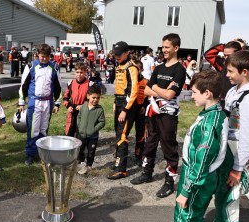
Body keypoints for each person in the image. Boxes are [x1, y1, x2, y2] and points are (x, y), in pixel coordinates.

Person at [130, 33, 186, 199]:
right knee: (150, 143)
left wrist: (155, 89)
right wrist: (159, 90)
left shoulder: (180, 70)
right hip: (153, 111)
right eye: (163, 47)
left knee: (169, 146)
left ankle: (169, 182)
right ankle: (147, 173)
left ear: (176, 48)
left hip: (168, 115)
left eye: (167, 47)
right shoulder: (159, 67)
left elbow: (170, 95)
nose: (164, 50)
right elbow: (146, 90)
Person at [213, 51, 249, 222]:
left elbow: (248, 137)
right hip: (225, 147)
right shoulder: (234, 91)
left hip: (235, 151)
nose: (226, 75)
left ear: (244, 72)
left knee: (228, 197)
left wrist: (237, 168)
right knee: (219, 192)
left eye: (230, 72)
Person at [174, 70, 228, 222]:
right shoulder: (215, 113)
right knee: (194, 215)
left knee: (187, 217)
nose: (192, 96)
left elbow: (202, 160)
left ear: (207, 93)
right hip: (202, 175)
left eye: (194, 92)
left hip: (197, 177)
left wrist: (186, 190)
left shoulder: (209, 124)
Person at [18, 43, 61, 166]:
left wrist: (57, 103)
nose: (44, 59)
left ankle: (42, 154)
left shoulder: (54, 68)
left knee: (44, 129)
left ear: (50, 56)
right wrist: (21, 101)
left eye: (47, 56)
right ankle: (30, 154)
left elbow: (58, 86)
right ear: (38, 55)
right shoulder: (31, 66)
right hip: (34, 102)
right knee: (33, 129)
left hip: (48, 102)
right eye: (42, 56)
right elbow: (23, 85)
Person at [107, 41, 139, 180]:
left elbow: (133, 91)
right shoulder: (118, 65)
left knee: (123, 135)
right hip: (119, 102)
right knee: (118, 133)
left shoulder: (132, 68)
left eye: (119, 55)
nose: (117, 57)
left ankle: (122, 170)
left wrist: (125, 109)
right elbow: (118, 86)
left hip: (128, 106)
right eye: (115, 55)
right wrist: (115, 102)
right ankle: (118, 162)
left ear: (127, 53)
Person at [76, 84, 105, 174]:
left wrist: (94, 129)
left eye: (98, 98)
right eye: (93, 97)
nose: (95, 100)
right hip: (82, 134)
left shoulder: (99, 110)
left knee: (91, 152)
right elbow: (79, 117)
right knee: (80, 150)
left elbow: (102, 122)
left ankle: (89, 165)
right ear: (88, 96)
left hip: (93, 137)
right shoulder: (83, 106)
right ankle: (81, 163)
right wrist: (79, 125)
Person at [204, 40, 242, 108]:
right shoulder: (222, 64)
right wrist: (223, 46)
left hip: (238, 102)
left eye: (229, 55)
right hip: (223, 101)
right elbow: (208, 55)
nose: (226, 58)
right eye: (225, 55)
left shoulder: (244, 67)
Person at [63, 62, 91, 137]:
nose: (79, 74)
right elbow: (65, 97)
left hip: (83, 111)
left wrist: (84, 106)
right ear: (75, 72)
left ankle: (80, 147)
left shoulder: (90, 84)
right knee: (69, 131)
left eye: (81, 72)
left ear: (85, 72)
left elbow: (92, 99)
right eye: (77, 72)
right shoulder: (71, 83)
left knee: (81, 132)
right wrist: (68, 106)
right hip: (72, 110)